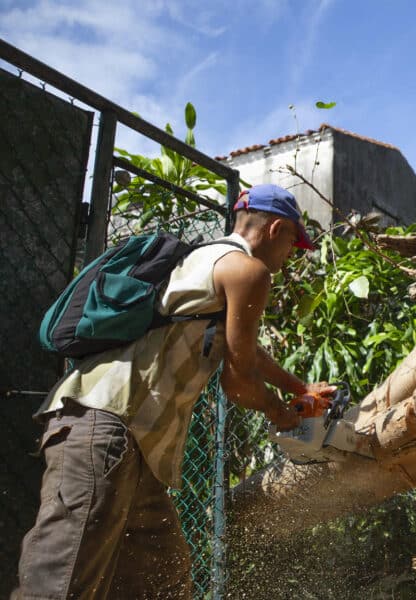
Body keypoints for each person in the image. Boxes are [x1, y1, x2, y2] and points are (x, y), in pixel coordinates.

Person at [15, 183, 331, 599]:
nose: (292, 254)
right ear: (276, 230)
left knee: (161, 584)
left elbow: (246, 351)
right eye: (294, 242)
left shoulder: (205, 260)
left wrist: (300, 387)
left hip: (135, 448)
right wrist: (281, 414)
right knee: (61, 581)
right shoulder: (248, 272)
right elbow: (237, 383)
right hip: (107, 429)